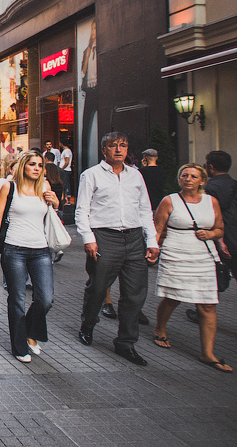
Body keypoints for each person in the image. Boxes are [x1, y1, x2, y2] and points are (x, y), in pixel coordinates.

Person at [75, 132, 159, 366]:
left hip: (134, 239)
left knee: (134, 294)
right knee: (98, 287)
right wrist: (88, 238)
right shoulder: (91, 175)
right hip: (104, 237)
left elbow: (145, 209)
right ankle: (88, 324)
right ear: (104, 150)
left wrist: (151, 240)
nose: (119, 150)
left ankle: (126, 342)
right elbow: (82, 210)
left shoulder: (136, 176)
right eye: (113, 146)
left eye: (123, 145)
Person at [150, 164, 231, 372]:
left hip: (203, 254)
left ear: (202, 180)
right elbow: (157, 229)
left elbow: (220, 228)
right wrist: (153, 250)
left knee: (207, 304)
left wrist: (211, 234)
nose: (188, 179)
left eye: (193, 176)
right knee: (173, 297)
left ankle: (208, 353)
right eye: (184, 175)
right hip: (175, 252)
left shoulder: (211, 202)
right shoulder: (170, 201)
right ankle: (160, 327)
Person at [0, 151, 59, 363]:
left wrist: (55, 202)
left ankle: (29, 331)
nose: (37, 168)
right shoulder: (9, 187)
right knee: (17, 299)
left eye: (40, 165)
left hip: (41, 250)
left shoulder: (45, 188)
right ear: (23, 167)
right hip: (14, 249)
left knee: (45, 299)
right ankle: (20, 347)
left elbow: (52, 215)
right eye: (32, 164)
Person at [186, 150, 237, 323]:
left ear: (210, 167)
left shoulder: (208, 189)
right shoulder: (234, 185)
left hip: (219, 238)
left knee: (208, 277)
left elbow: (209, 216)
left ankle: (203, 312)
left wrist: (220, 240)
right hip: (235, 236)